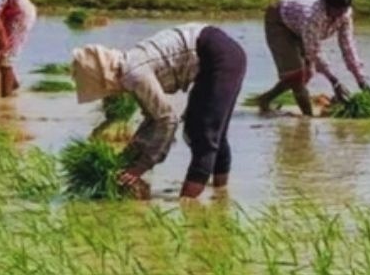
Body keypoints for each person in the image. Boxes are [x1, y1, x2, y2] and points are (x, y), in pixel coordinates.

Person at [70, 24, 247, 199]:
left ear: (104, 79)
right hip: (216, 53)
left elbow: (167, 120)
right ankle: (221, 196)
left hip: (221, 57)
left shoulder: (135, 75)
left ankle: (188, 204)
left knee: (204, 133)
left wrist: (141, 166)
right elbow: (152, 118)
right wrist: (129, 157)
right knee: (202, 129)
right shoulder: (129, 67)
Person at [252, 0, 370, 117]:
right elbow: (314, 52)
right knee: (296, 76)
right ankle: (308, 119)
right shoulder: (312, 16)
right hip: (280, 21)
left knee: (307, 73)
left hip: (297, 23)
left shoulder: (344, 13)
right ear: (327, 5)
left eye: (344, 10)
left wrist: (361, 80)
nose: (340, 15)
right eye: (337, 11)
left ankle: (265, 99)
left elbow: (347, 45)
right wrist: (335, 82)